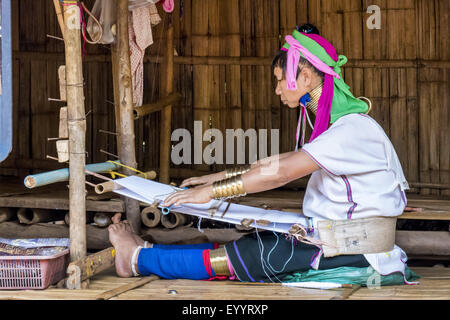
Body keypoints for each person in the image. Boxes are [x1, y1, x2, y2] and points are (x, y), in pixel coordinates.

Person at [108, 24, 412, 283]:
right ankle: (143, 253)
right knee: (255, 243)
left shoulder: (350, 130)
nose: (278, 89)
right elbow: (277, 164)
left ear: (305, 77)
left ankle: (134, 260)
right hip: (333, 239)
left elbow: (282, 172)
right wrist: (219, 176)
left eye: (280, 80)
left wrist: (211, 193)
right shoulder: (344, 128)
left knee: (247, 256)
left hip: (355, 250)